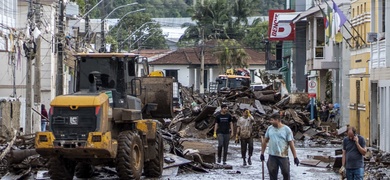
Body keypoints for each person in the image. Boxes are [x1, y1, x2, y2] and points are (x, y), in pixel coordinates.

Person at [260, 112, 299, 180]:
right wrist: (262, 153)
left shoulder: (286, 130)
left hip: (283, 156)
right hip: (272, 156)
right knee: (272, 174)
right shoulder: (270, 128)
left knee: (286, 173)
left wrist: (295, 157)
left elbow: (291, 144)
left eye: (272, 120)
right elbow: (265, 141)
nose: (270, 122)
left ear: (277, 120)